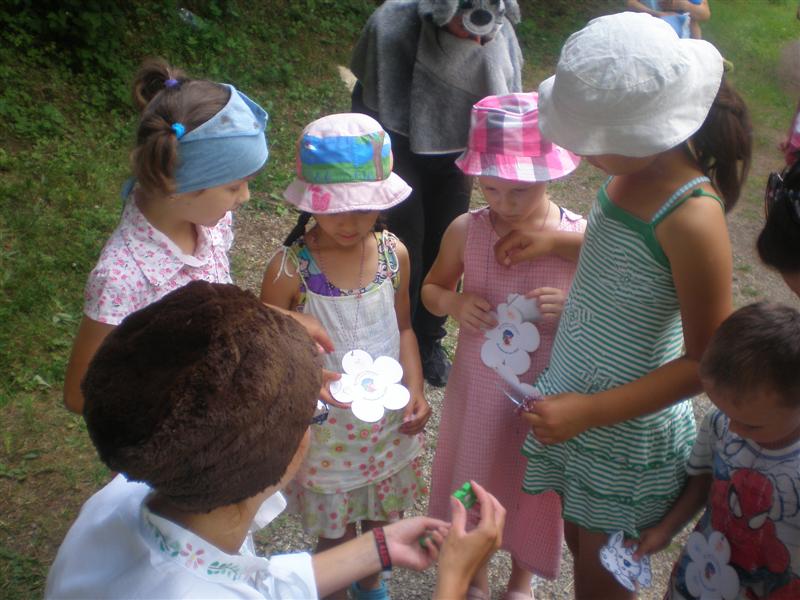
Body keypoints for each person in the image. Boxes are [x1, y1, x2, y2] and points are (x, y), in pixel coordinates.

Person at [492, 13, 751, 599]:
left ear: (645, 133)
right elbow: (627, 254)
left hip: (623, 434)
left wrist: (592, 411)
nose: (586, 155)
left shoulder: (692, 217)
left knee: (601, 583)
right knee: (581, 545)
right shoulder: (627, 175)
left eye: (595, 145)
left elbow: (705, 363)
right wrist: (557, 242)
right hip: (582, 416)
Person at [44, 281, 508, 600]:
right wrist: (453, 581)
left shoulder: (124, 498)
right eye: (315, 413)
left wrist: (379, 546)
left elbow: (248, 580)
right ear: (280, 456)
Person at [62, 58, 333, 415]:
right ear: (179, 187)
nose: (245, 197)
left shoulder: (210, 223)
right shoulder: (122, 279)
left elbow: (215, 305)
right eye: (234, 186)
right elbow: (80, 395)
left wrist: (274, 320)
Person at [260, 113, 432, 599]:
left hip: (388, 425)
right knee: (334, 536)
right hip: (327, 434)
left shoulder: (393, 254)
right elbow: (268, 348)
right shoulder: (289, 268)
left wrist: (416, 389)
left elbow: (404, 327)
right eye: (335, 208)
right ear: (309, 203)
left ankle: (372, 587)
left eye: (363, 208)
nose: (350, 222)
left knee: (382, 525)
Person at [422, 92, 584, 600]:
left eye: (519, 191)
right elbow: (430, 290)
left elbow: (605, 313)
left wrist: (571, 307)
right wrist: (454, 302)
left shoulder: (577, 237)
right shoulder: (466, 231)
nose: (504, 203)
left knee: (532, 482)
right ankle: (474, 574)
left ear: (550, 175)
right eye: (490, 188)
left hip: (544, 395)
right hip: (479, 393)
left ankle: (521, 579)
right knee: (476, 474)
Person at [349, 0, 524, 387]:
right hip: (398, 146)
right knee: (405, 241)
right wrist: (372, 162)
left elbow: (507, 103)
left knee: (447, 242)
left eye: (484, 34)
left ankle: (428, 338)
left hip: (457, 153)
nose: (476, 41)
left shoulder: (498, 32)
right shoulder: (394, 24)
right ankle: (395, 334)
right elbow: (367, 99)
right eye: (465, 29)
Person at [631, 302, 800, 600]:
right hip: (700, 576)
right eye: (724, 411)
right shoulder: (720, 423)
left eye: (751, 424)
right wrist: (667, 529)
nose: (733, 429)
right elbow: (704, 481)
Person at [626, 0, 710, 39]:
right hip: (646, 28)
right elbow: (631, 3)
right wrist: (657, 14)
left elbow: (704, 14)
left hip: (679, 35)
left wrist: (684, 4)